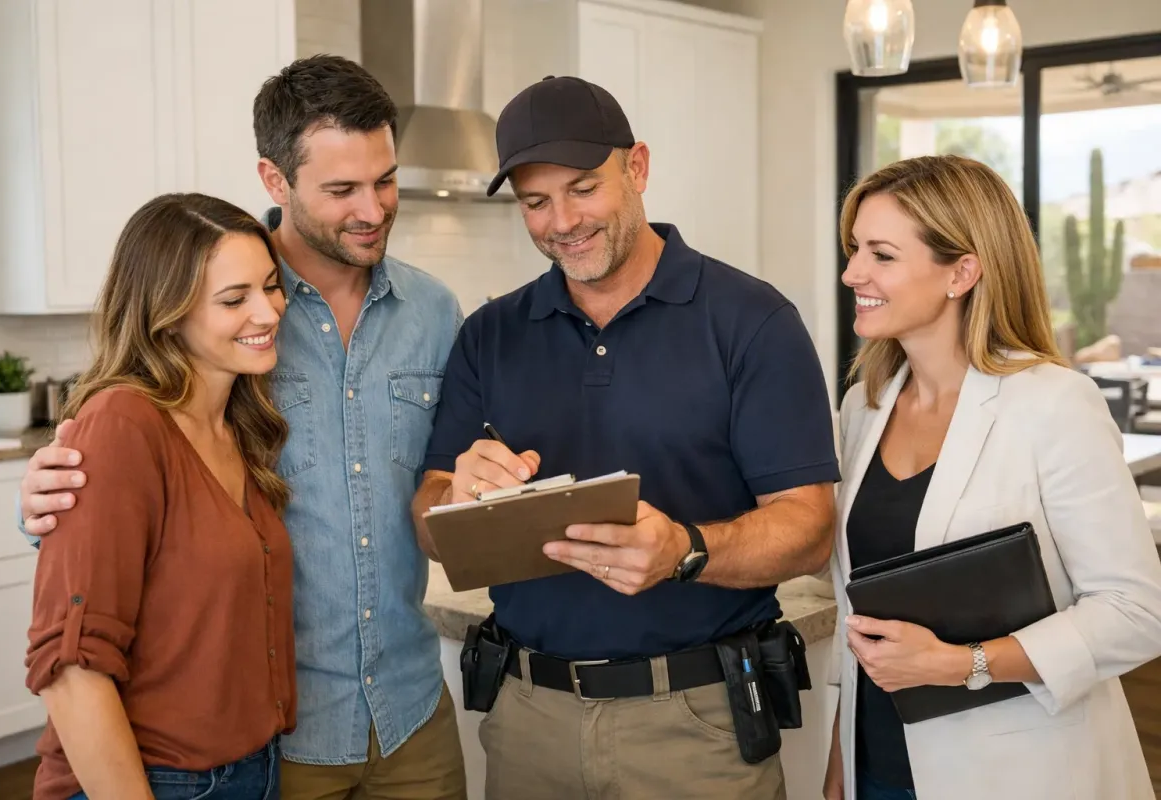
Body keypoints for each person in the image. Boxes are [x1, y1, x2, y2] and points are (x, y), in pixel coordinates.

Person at [16, 56, 468, 800]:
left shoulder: (433, 311)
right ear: (274, 180)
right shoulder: (216, 319)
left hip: (409, 708)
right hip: (278, 738)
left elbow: (440, 481)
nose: (373, 208)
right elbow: (115, 495)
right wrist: (41, 504)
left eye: (385, 180)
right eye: (341, 189)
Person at [410, 75, 839, 799]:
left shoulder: (753, 322)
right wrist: (458, 493)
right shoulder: (489, 333)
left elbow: (809, 529)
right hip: (526, 720)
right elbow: (426, 518)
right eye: (536, 202)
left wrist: (686, 551)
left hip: (697, 725)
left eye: (584, 188)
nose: (562, 221)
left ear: (637, 168)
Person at [822, 154, 1161, 800]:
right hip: (879, 763)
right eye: (854, 248)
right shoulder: (864, 406)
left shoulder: (1054, 404)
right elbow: (859, 615)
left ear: (963, 272)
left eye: (881, 254)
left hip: (1020, 771)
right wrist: (842, 764)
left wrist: (962, 664)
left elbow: (1138, 610)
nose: (852, 272)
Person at [25, 192, 295, 800]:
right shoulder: (122, 424)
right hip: (153, 782)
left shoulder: (236, 427)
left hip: (251, 770)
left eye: (271, 287)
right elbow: (70, 670)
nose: (269, 311)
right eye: (235, 299)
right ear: (167, 313)